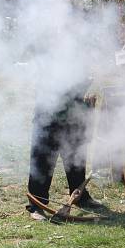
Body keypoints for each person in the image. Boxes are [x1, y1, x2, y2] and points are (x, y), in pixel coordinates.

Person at [26, 88, 103, 221]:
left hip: (76, 109)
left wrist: (90, 88)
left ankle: (80, 195)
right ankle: (36, 203)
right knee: (43, 158)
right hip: (49, 109)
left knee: (76, 156)